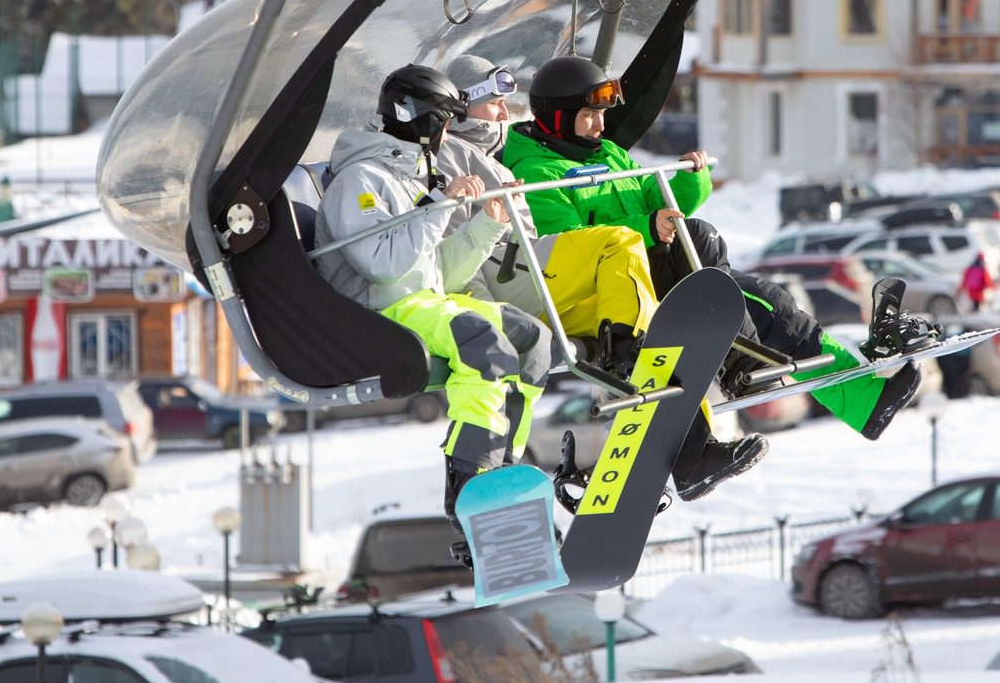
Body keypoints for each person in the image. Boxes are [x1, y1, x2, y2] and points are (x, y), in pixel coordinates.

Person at [502, 55, 921, 445]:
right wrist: (646, 228)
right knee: (753, 298)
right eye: (589, 115)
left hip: (650, 269)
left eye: (601, 115)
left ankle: (836, 391)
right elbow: (568, 242)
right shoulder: (534, 173)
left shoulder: (607, 155)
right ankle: (759, 368)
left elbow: (656, 194)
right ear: (557, 118)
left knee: (758, 296)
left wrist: (689, 179)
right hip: (611, 291)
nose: (599, 125)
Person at [438, 54, 765, 501]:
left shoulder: (492, 156)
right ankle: (627, 357)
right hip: (505, 286)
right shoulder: (451, 158)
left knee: (657, 328)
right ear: (460, 107)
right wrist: (479, 307)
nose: (502, 114)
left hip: (534, 275)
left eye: (504, 104)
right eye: (492, 103)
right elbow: (454, 252)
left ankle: (690, 454)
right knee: (617, 244)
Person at [312, 64, 555, 542]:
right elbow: (381, 265)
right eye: (442, 122)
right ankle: (470, 490)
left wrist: (487, 224)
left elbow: (438, 271)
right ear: (416, 118)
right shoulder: (362, 181)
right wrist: (440, 204)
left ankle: (505, 469)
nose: (447, 133)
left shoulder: (408, 176)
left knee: (531, 338)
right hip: (373, 311)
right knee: (482, 344)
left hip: (418, 300)